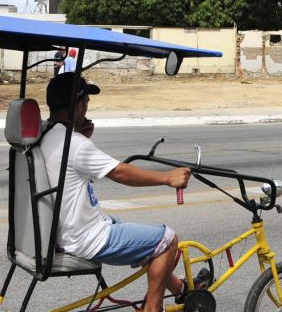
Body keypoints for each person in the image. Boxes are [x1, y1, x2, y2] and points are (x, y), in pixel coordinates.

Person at [39, 73, 196, 312]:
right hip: (85, 238)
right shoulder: (75, 144)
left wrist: (81, 135)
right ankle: (152, 308)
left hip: (67, 231)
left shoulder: (47, 133)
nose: (87, 107)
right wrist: (167, 178)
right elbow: (119, 173)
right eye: (86, 101)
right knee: (167, 239)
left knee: (131, 229)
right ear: (78, 104)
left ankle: (179, 289)